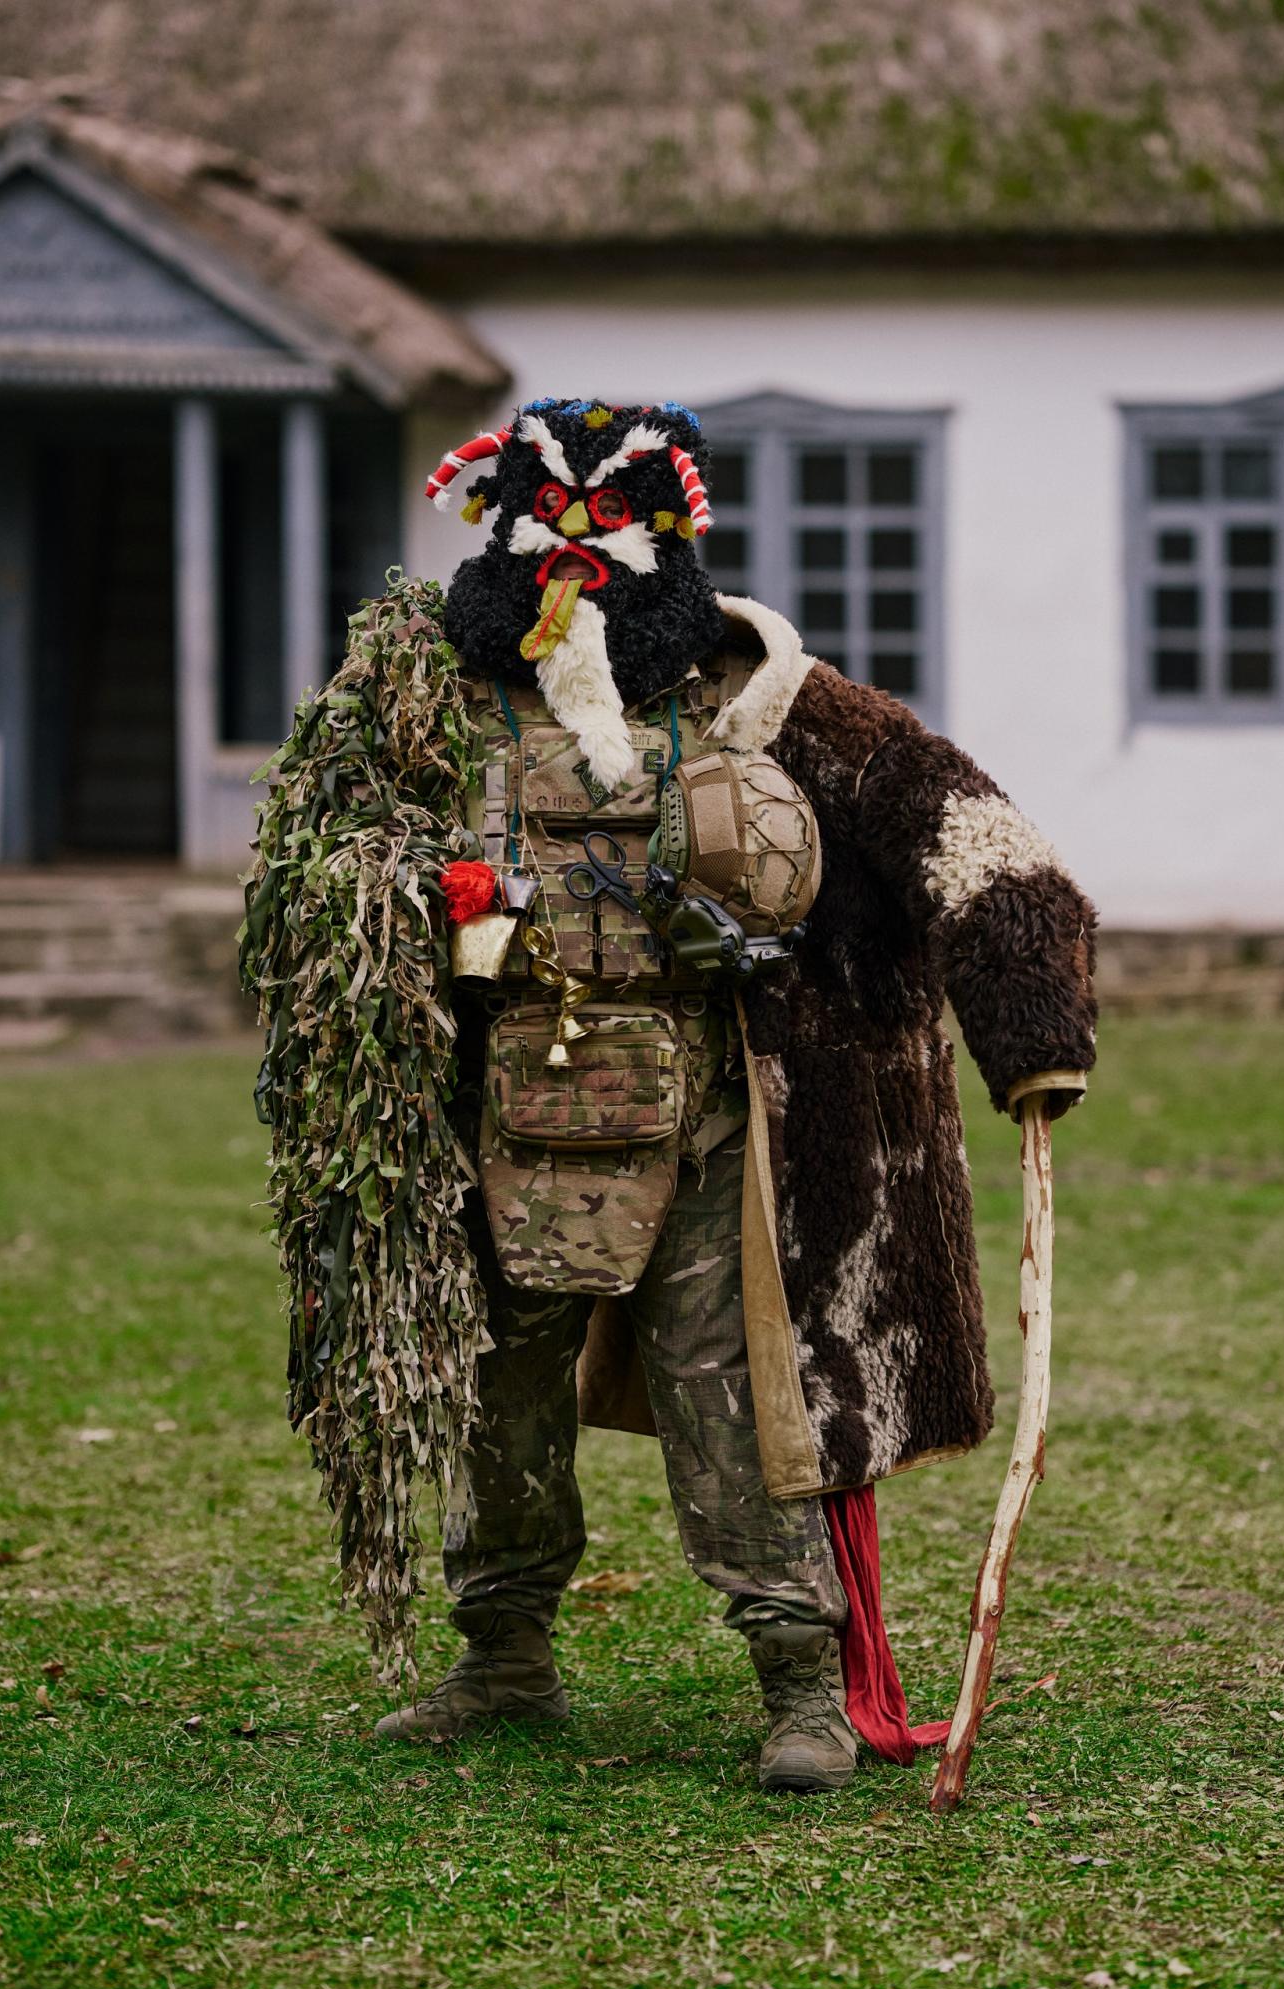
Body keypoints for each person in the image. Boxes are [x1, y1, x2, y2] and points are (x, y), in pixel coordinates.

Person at [246, 397, 1097, 1793]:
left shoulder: (764, 697)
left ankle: (802, 1685)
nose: (578, 550)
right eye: (551, 516)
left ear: (668, 531)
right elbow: (311, 861)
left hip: (709, 1125)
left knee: (737, 1401)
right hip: (492, 1113)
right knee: (493, 1394)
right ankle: (503, 1654)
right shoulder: (424, 698)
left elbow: (978, 839)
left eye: (611, 519)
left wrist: (1030, 1024)